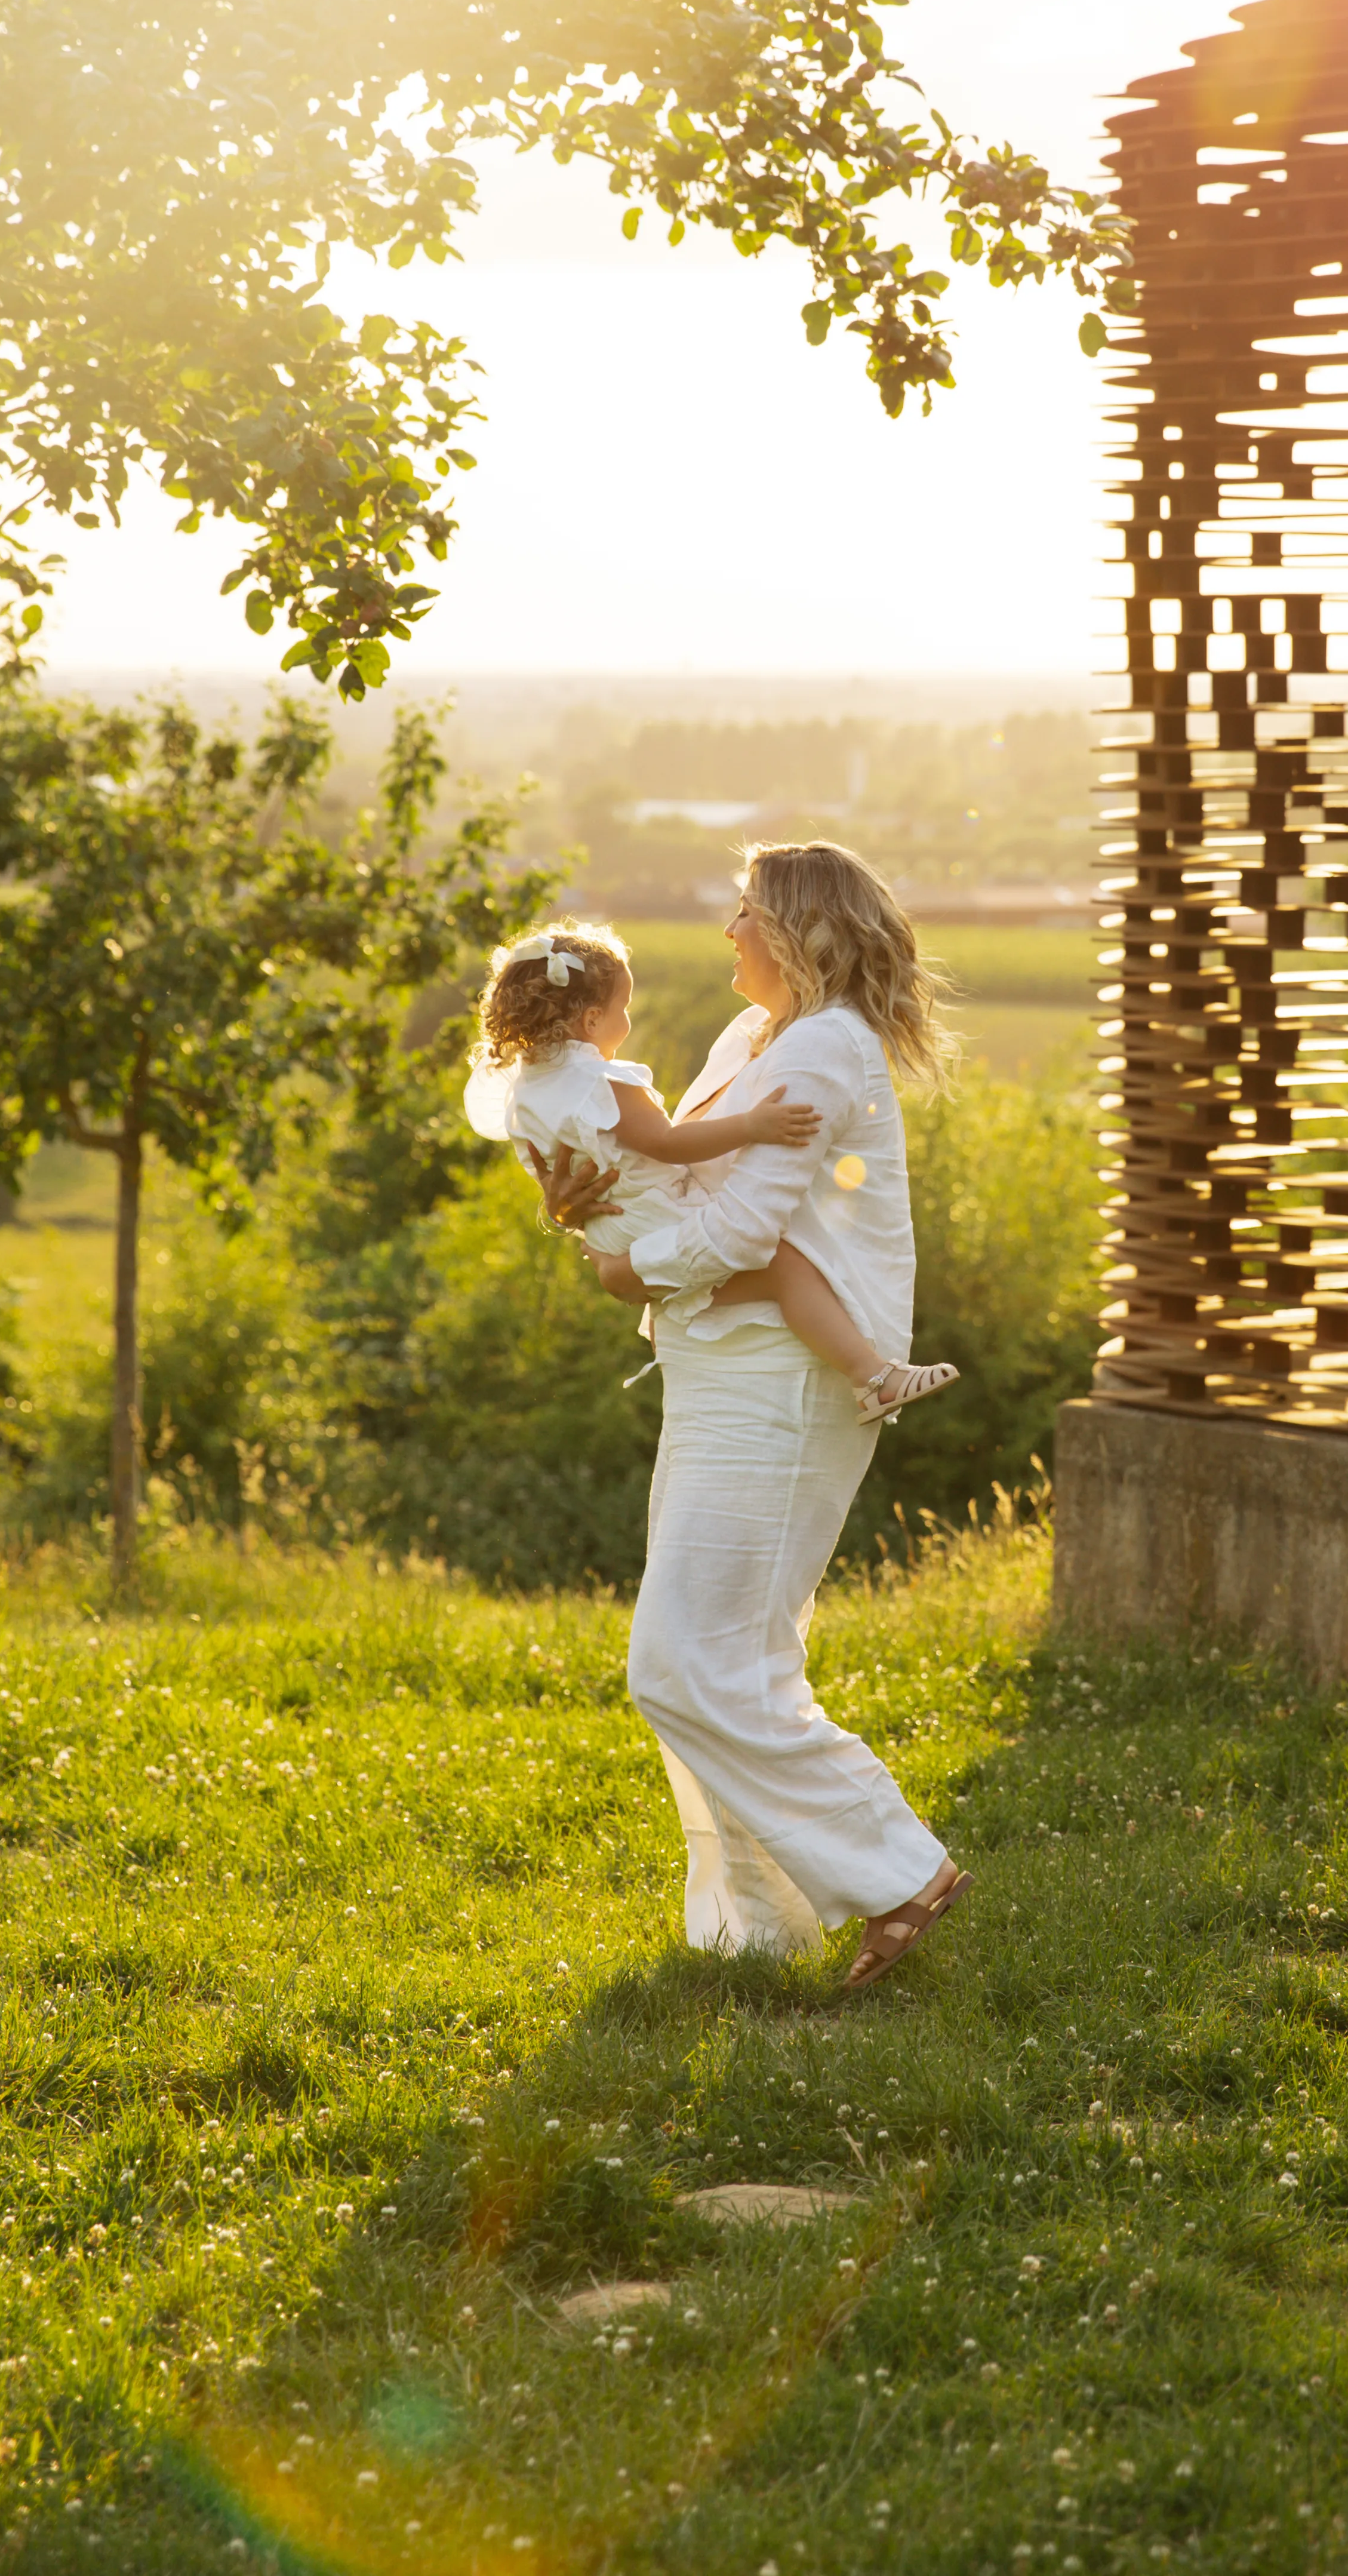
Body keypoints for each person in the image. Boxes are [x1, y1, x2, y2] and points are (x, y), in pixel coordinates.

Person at [536, 843, 970, 1991]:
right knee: (743, 1656)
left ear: (791, 928)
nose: (726, 926)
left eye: (745, 909)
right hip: (721, 1364)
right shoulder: (748, 1040)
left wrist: (633, 1272)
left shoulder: (828, 1048)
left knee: (678, 1661)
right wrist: (583, 1196)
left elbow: (741, 1232)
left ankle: (898, 1872)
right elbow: (681, 1183)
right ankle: (759, 1929)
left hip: (784, 1378)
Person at [464, 920, 957, 1421]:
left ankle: (853, 1372)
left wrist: (571, 1218)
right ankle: (872, 1376)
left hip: (610, 1230)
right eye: (623, 1009)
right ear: (592, 1021)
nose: (627, 1022)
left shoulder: (525, 1092)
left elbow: (553, 1170)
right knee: (785, 1270)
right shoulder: (606, 1082)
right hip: (657, 1217)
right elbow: (670, 1144)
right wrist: (754, 1125)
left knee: (742, 1280)